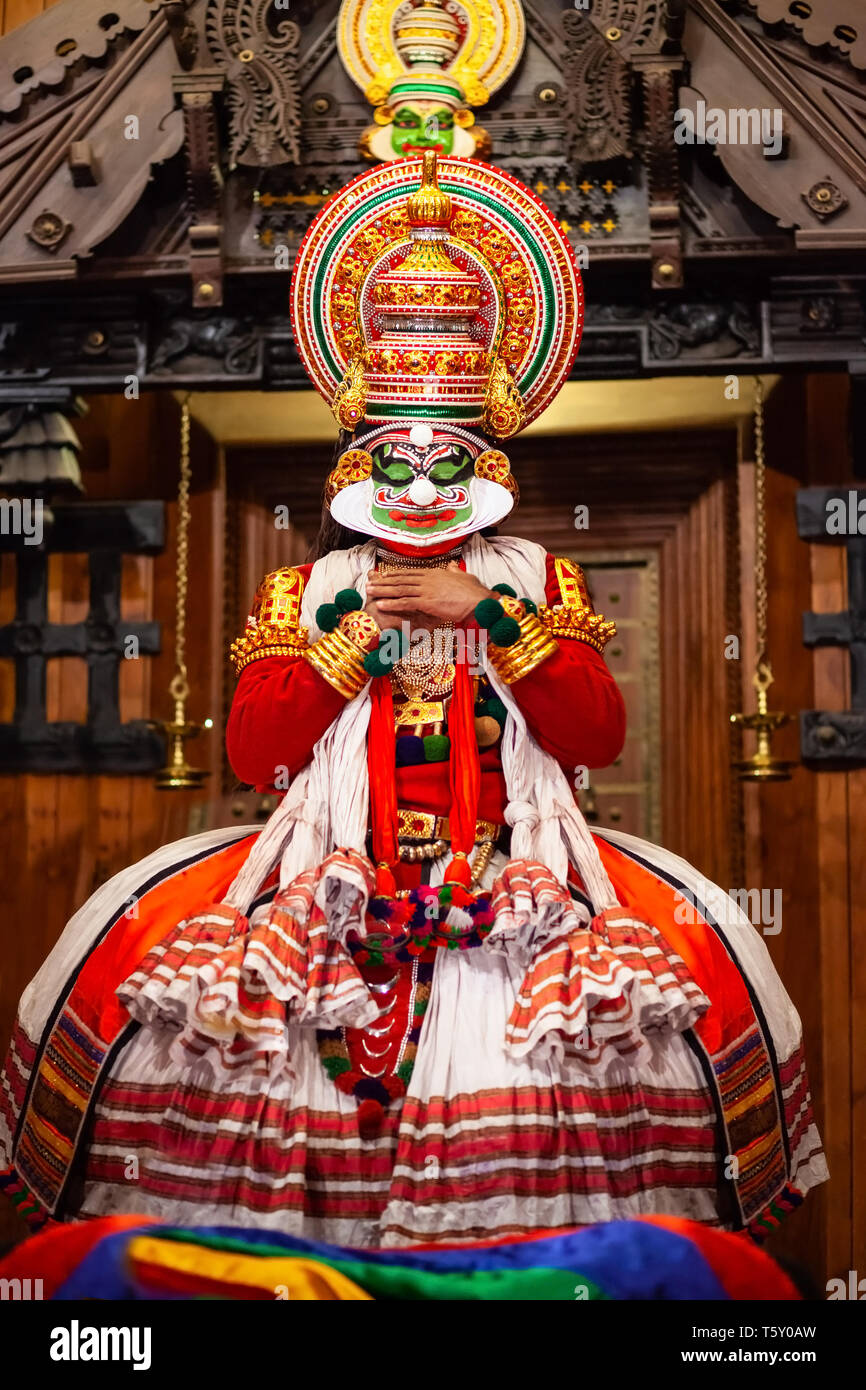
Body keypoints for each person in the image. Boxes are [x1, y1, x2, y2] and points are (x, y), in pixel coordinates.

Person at [0, 155, 827, 1248]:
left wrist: (480, 610)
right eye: (395, 459)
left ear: (488, 459)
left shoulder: (534, 577)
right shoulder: (311, 587)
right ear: (354, 459)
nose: (423, 485)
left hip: (513, 876)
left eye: (449, 461)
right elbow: (256, 754)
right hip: (322, 868)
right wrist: (356, 645)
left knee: (716, 954)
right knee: (114, 944)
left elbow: (591, 733)